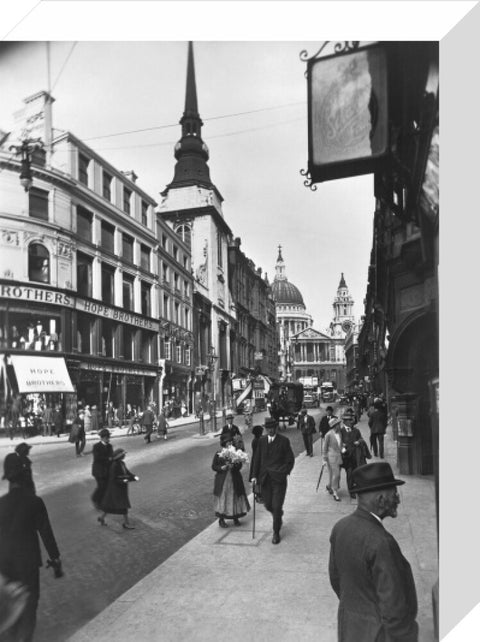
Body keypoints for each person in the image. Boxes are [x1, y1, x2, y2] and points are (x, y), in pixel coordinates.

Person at [328, 462, 418, 642]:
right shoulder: (382, 542)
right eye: (394, 493)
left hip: (350, 629)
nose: (398, 499)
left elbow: (336, 578)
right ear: (381, 499)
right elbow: (395, 608)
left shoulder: (340, 528)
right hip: (379, 635)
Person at [0, 457, 62, 642]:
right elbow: (46, 534)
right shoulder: (34, 502)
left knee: (8, 606)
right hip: (27, 563)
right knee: (29, 607)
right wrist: (56, 559)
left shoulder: (0, 504)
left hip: (4, 563)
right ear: (25, 474)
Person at [250, 417, 295, 544]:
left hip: (279, 480)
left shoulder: (284, 441)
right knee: (268, 505)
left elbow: (290, 460)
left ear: (275, 428)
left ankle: (276, 532)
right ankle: (278, 514)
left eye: (272, 428)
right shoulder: (261, 441)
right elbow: (257, 459)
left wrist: (284, 472)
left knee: (276, 505)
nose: (270, 430)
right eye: (268, 428)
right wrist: (254, 476)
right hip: (264, 480)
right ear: (265, 429)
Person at [212, 432, 250, 528]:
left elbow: (240, 465)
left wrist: (234, 465)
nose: (229, 444)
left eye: (230, 442)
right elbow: (214, 466)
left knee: (235, 496)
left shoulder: (235, 452)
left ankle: (235, 517)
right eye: (227, 442)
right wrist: (221, 468)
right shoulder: (218, 453)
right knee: (224, 498)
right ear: (223, 443)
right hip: (223, 480)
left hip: (234, 479)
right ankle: (221, 519)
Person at [98, 449, 139, 529]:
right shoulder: (114, 465)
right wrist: (123, 480)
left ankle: (102, 518)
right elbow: (113, 478)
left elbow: (127, 473)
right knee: (124, 505)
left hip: (121, 487)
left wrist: (133, 476)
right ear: (120, 456)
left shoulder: (122, 463)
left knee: (110, 505)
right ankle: (126, 523)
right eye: (123, 455)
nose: (124, 456)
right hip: (116, 488)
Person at [340, 409, 364, 498]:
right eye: (349, 420)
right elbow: (338, 442)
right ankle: (351, 491)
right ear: (345, 422)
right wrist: (342, 446)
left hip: (355, 457)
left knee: (356, 473)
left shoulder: (356, 431)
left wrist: (359, 441)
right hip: (346, 458)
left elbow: (361, 439)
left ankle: (355, 488)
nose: (351, 422)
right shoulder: (341, 431)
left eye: (351, 420)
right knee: (349, 474)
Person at [91, 428, 113, 510]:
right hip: (98, 471)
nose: (108, 439)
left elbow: (111, 456)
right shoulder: (96, 446)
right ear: (102, 438)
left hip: (106, 470)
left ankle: (102, 501)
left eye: (108, 437)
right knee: (101, 486)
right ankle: (95, 499)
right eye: (107, 437)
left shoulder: (110, 446)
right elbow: (97, 458)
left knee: (106, 486)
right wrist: (108, 459)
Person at [323, 417, 344, 502]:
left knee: (332, 474)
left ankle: (329, 486)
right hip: (331, 457)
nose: (340, 425)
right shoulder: (328, 434)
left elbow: (340, 444)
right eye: (338, 424)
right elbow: (325, 447)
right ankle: (335, 492)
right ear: (335, 425)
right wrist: (324, 458)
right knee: (337, 474)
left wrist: (343, 448)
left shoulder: (339, 433)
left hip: (339, 456)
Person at [249, 425, 264, 503]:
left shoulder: (255, 440)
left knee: (258, 477)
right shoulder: (258, 440)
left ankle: (259, 495)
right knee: (258, 477)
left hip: (255, 459)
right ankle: (258, 495)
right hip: (258, 460)